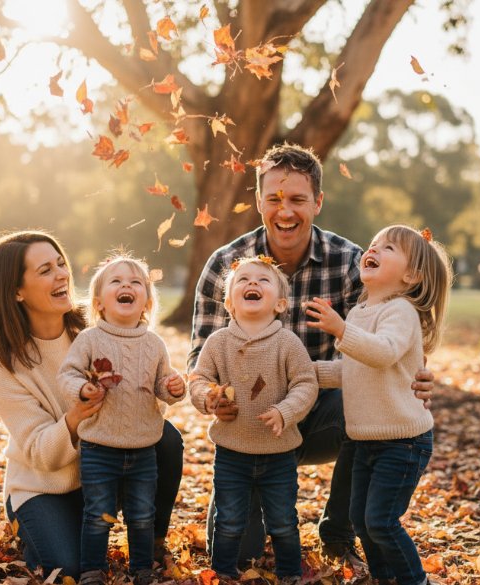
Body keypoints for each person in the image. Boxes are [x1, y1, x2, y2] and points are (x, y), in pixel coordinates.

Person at [188, 143, 435, 567]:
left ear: (318, 202)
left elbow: (392, 334)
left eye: (299, 199)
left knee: (359, 399)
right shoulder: (226, 266)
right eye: (275, 199)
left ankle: (339, 528)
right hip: (248, 428)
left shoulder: (351, 263)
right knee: (237, 552)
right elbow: (199, 362)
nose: (286, 211)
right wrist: (209, 395)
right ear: (259, 201)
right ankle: (251, 503)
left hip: (322, 413)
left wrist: (419, 372)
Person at [0, 232, 184, 579]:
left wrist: (165, 387)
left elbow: (143, 402)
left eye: (61, 263)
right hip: (45, 486)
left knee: (165, 439)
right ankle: (33, 527)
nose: (62, 274)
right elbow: (40, 452)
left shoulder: (95, 329)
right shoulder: (3, 362)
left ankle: (151, 540)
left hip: (106, 467)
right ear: (17, 291)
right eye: (45, 270)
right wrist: (76, 417)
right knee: (69, 570)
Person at [305, 225, 451, 585]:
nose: (373, 250)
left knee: (381, 522)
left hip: (401, 442)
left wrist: (340, 331)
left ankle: (414, 580)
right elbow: (352, 369)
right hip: (364, 440)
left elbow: (383, 353)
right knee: (361, 520)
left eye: (388, 248)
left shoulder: (400, 311)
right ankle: (384, 578)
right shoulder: (358, 313)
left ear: (411, 275)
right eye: (372, 245)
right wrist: (307, 372)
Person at [59, 254, 186, 585]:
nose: (127, 285)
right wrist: (83, 389)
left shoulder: (154, 344)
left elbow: (163, 386)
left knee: (142, 515)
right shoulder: (89, 339)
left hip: (144, 447)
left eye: (136, 283)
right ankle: (92, 570)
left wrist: (174, 388)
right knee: (98, 514)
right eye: (116, 281)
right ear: (99, 303)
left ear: (146, 301)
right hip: (99, 445)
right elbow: (67, 375)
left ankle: (141, 568)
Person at [189, 255, 318, 582]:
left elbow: (305, 382)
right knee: (229, 520)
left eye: (263, 281)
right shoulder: (218, 343)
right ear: (230, 303)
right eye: (243, 280)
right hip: (232, 453)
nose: (252, 284)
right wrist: (208, 397)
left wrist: (285, 411)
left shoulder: (287, 343)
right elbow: (199, 378)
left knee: (284, 522)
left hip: (278, 454)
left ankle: (289, 573)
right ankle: (223, 572)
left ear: (280, 304)